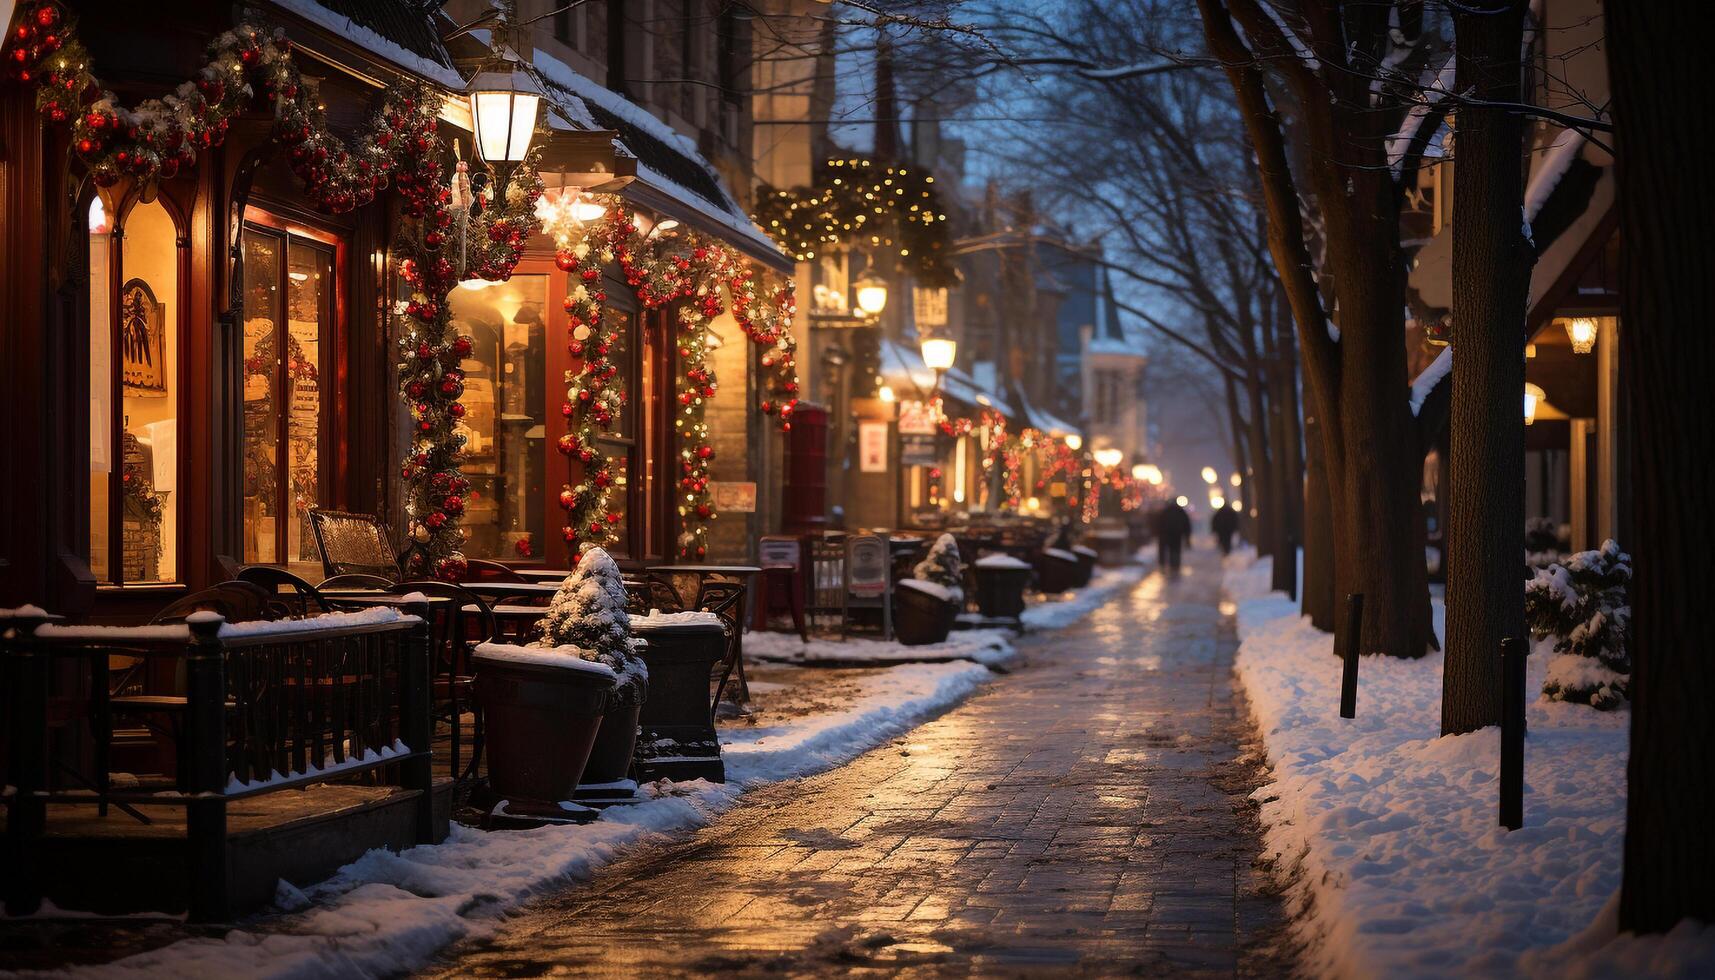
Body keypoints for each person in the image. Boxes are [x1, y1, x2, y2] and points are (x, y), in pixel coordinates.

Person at [1152, 500, 1192, 574]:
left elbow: (1158, 523)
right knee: (1175, 550)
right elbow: (1187, 525)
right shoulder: (1181, 512)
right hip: (1177, 535)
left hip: (1165, 535)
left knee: (1164, 550)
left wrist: (1157, 533)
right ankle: (1175, 565)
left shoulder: (1164, 512)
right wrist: (1187, 537)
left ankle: (1163, 564)